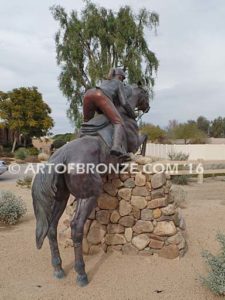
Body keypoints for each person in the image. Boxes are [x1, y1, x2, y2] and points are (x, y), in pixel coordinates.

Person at [83, 68, 135, 157]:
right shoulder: (119, 83)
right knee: (119, 123)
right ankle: (116, 147)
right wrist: (132, 114)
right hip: (100, 95)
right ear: (120, 77)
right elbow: (124, 102)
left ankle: (81, 139)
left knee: (87, 122)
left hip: (88, 94)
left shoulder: (105, 82)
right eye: (122, 79)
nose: (122, 81)